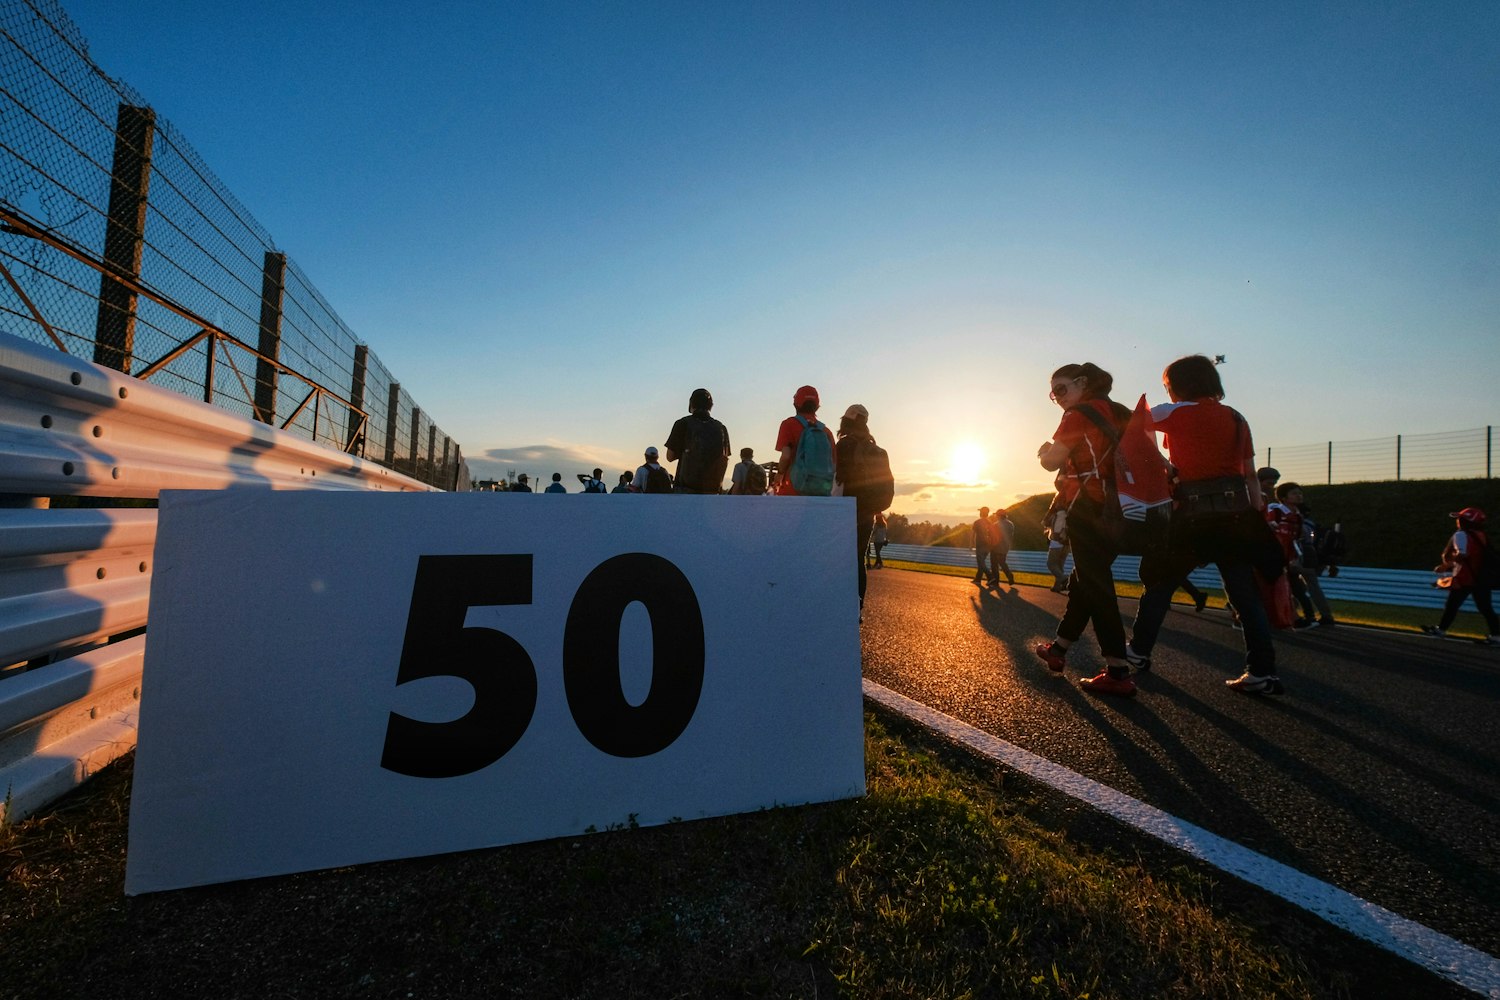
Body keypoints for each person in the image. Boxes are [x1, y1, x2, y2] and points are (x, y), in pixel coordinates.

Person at [1125, 354, 1286, 694]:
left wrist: (1163, 468)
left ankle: (1137, 653)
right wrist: (1257, 516)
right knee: (1244, 596)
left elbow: (1130, 431)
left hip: (1191, 515)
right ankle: (1262, 671)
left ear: (1177, 385)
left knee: (1160, 586)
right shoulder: (1236, 417)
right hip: (1236, 515)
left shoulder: (1173, 411)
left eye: (1167, 385)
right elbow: (1250, 475)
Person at [1033, 362, 1137, 696]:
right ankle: (1059, 649)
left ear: (1082, 383)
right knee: (1085, 581)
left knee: (1098, 586)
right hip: (1121, 508)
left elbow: (1052, 461)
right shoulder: (1120, 411)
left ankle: (1118, 670)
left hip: (1087, 507)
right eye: (1053, 394)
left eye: (1061, 389)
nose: (1057, 398)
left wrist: (1044, 453)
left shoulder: (1077, 415)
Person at [832, 403, 885, 614]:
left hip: (842, 511)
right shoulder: (876, 449)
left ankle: (837, 606)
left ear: (847, 421)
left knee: (837, 558)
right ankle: (857, 607)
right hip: (867, 514)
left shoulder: (843, 445)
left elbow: (833, 478)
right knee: (858, 559)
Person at [1422, 507, 1499, 643]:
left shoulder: (1461, 535)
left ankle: (1440, 630)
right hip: (1481, 578)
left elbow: (1462, 555)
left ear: (1465, 521)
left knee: (1452, 605)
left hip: (1465, 577)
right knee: (1486, 608)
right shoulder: (1481, 535)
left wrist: (1444, 566)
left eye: (1460, 518)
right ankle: (1497, 636)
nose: (1458, 521)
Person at [1269, 482, 1336, 627]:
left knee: (1299, 586)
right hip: (1281, 556)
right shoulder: (1276, 511)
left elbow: (1300, 538)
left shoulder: (1298, 516)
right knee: (1295, 587)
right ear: (1283, 497)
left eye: (1300, 493)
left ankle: (1319, 616)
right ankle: (1310, 615)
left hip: (1296, 557)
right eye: (1294, 493)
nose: (1299, 496)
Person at [665, 388, 730, 494]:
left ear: (691, 404)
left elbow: (670, 457)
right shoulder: (721, 428)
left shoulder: (682, 424)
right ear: (711, 406)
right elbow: (724, 459)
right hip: (712, 492)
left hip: (686, 490)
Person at [775, 385, 836, 496]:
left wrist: (779, 473)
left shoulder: (788, 424)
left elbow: (786, 456)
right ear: (817, 405)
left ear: (795, 403)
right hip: (820, 492)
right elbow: (833, 463)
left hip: (793, 489)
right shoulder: (826, 431)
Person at [987, 508, 1016, 588]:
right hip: (1005, 546)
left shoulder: (996, 524)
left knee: (994, 564)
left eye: (996, 515)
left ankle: (996, 581)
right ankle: (1009, 575)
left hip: (996, 546)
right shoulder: (1011, 524)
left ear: (998, 515)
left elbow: (992, 536)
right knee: (1002, 562)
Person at [971, 507, 994, 585]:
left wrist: (971, 544)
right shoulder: (990, 522)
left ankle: (990, 576)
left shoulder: (977, 522)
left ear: (981, 513)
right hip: (988, 546)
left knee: (980, 563)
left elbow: (973, 534)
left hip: (980, 545)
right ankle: (978, 579)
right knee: (982, 562)